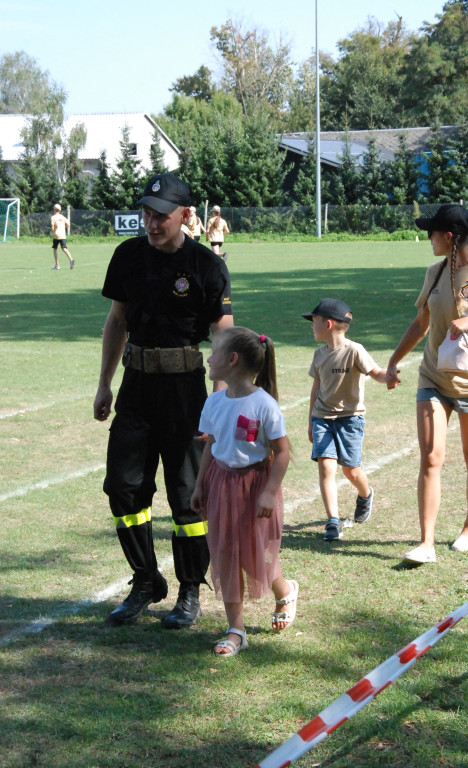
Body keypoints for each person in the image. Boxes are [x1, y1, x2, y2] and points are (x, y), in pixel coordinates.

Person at [93, 172, 234, 627]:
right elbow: (116, 322)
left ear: (185, 215)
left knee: (186, 495)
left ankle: (190, 589)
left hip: (185, 389)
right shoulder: (128, 256)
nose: (152, 224)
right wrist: (104, 384)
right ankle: (146, 578)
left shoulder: (206, 265)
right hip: (136, 385)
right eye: (147, 215)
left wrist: (218, 401)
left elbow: (223, 333)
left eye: (161, 217)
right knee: (123, 486)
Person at [386, 204, 468, 564]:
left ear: (449, 236)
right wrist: (394, 361)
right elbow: (421, 323)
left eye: (432, 232)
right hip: (433, 377)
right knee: (430, 457)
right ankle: (426, 543)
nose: (428, 238)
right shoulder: (434, 271)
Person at [191, 327, 298, 657]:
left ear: (232, 360)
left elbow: (282, 452)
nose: (208, 358)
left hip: (255, 488)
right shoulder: (214, 401)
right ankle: (236, 629)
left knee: (256, 558)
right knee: (225, 555)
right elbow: (211, 443)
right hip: (221, 485)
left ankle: (285, 590)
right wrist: (200, 484)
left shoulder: (264, 405)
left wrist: (268, 492)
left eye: (214, 352)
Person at [303, 298, 389, 541]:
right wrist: (311, 420)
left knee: (351, 471)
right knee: (326, 465)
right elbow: (315, 388)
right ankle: (333, 521)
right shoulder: (319, 355)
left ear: (328, 324)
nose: (311, 325)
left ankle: (365, 494)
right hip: (322, 418)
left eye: (314, 321)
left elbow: (376, 373)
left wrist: (389, 376)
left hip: (350, 419)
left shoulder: (355, 350)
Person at [50, 204, 74, 269]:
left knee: (55, 249)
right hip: (63, 235)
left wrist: (51, 232)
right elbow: (68, 224)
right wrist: (63, 227)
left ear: (54, 209)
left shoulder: (53, 217)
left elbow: (52, 228)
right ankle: (71, 259)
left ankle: (57, 265)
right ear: (60, 210)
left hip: (56, 235)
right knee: (64, 248)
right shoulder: (62, 217)